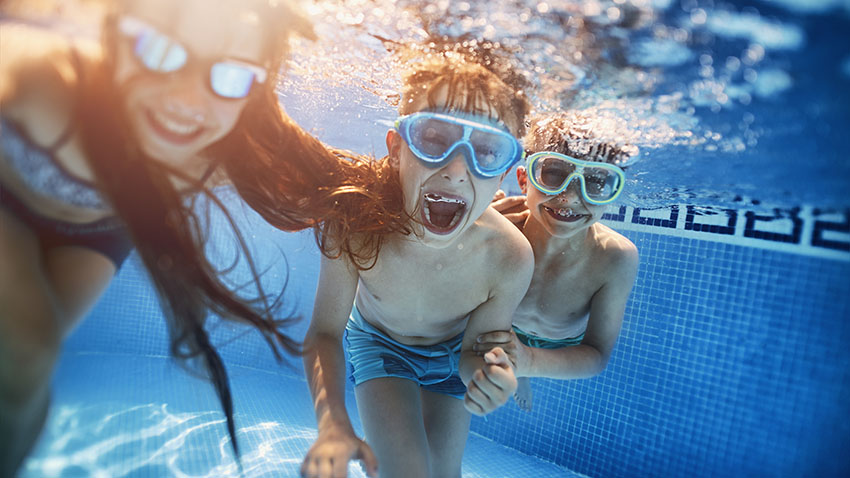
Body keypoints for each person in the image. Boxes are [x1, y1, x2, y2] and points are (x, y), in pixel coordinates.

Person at [0, 0, 400, 474]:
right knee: (25, 350)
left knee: (21, 379)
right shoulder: (37, 78)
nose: (187, 97)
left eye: (228, 76)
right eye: (160, 50)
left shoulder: (222, 152)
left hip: (97, 231)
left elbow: (341, 181)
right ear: (115, 31)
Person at [300, 44, 535, 478]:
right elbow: (325, 333)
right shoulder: (356, 223)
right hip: (381, 346)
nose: (456, 169)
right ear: (397, 147)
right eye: (434, 139)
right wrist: (333, 423)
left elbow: (472, 355)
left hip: (451, 357)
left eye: (486, 151)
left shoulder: (510, 258)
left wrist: (490, 373)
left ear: (503, 172)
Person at [479, 112, 640, 411]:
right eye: (553, 174)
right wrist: (475, 226)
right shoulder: (500, 228)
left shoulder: (615, 257)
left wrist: (529, 361)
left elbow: (595, 354)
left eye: (594, 181)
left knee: (523, 361)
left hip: (560, 343)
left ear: (610, 194)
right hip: (504, 328)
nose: (569, 197)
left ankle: (523, 368)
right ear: (524, 179)